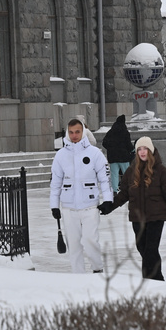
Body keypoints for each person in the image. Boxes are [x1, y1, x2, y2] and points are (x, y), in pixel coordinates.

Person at [99, 136, 166, 281]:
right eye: (139, 149)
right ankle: (153, 278)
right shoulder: (131, 171)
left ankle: (154, 279)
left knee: (151, 249)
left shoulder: (161, 171)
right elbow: (124, 194)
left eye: (145, 149)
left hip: (156, 217)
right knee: (142, 248)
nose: (142, 152)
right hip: (137, 217)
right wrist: (109, 206)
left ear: (150, 150)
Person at [50, 117, 112, 274]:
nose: (74, 135)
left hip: (90, 206)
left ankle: (97, 268)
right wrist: (54, 206)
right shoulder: (61, 155)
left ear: (83, 132)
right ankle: (78, 275)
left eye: (77, 131)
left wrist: (108, 200)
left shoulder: (95, 153)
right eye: (71, 132)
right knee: (73, 243)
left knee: (91, 240)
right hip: (69, 207)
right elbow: (55, 183)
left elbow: (105, 179)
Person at [101, 115, 133, 194]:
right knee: (126, 173)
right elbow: (128, 144)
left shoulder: (110, 132)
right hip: (124, 157)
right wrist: (132, 150)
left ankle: (115, 190)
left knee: (114, 174)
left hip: (113, 157)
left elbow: (104, 143)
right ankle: (128, 188)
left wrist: (110, 148)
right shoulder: (125, 132)